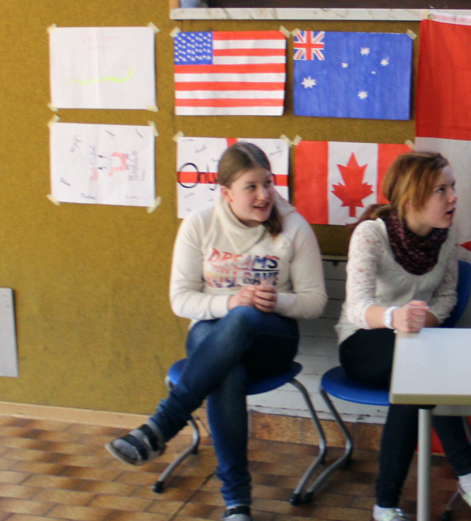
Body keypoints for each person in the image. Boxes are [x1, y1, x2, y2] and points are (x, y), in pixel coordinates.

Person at [106, 142, 327, 521]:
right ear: (226, 192)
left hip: (271, 339)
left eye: (268, 183)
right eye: (251, 187)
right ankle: (237, 505)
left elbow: (315, 302)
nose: (264, 195)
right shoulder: (200, 223)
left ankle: (164, 424)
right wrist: (230, 302)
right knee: (228, 372)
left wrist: (276, 301)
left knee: (243, 318)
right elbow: (181, 300)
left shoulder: (294, 227)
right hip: (211, 337)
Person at [336, 151, 471, 521]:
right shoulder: (371, 234)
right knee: (420, 371)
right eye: (442, 190)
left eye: (452, 186)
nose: (454, 197)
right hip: (364, 340)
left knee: (415, 382)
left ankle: (385, 505)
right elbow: (357, 306)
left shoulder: (446, 236)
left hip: (419, 345)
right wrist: (395, 318)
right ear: (411, 199)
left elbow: (447, 297)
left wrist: (425, 322)